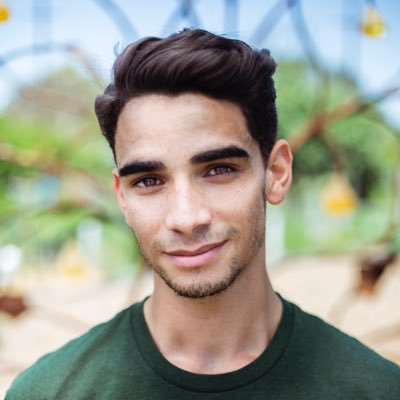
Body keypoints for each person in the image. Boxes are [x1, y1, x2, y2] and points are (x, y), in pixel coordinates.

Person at [6, 28, 400, 399]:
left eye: (219, 170)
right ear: (122, 197)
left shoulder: (377, 390)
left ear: (276, 173)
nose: (186, 217)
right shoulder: (47, 393)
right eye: (148, 180)